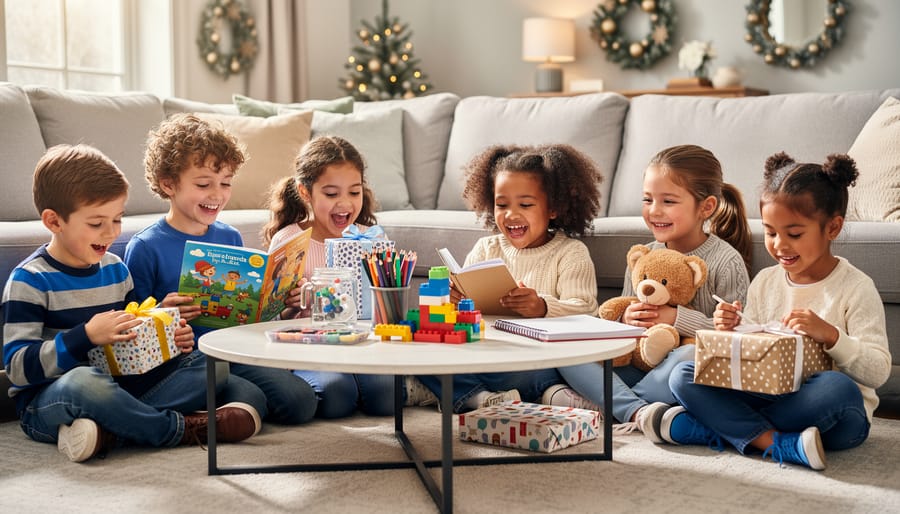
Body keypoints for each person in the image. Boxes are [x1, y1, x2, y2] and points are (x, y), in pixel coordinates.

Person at [2, 144, 259, 463]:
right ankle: (176, 429)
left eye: (118, 219)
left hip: (119, 388)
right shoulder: (30, 280)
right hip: (50, 400)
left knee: (209, 368)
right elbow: (17, 369)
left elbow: (132, 342)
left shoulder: (115, 268)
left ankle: (112, 428)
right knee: (84, 382)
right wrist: (86, 336)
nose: (110, 233)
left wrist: (167, 338)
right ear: (54, 222)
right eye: (96, 223)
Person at [655, 152, 891, 471]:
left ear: (833, 227)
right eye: (770, 232)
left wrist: (832, 336)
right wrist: (733, 329)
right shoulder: (766, 281)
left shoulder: (855, 287)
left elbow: (878, 371)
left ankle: (716, 428)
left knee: (837, 388)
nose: (779, 245)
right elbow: (753, 352)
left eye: (794, 234)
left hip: (833, 414)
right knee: (685, 373)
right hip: (769, 396)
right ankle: (777, 443)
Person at [124, 114, 317, 427]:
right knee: (251, 398)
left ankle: (225, 412)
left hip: (234, 350)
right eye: (203, 184)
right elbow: (132, 326)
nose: (217, 194)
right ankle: (192, 418)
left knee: (301, 402)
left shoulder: (229, 237)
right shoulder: (146, 246)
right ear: (168, 183)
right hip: (187, 363)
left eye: (226, 183)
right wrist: (163, 313)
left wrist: (281, 304)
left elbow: (247, 311)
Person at [548, 144, 752, 436]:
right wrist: (625, 319)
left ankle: (609, 405)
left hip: (679, 369)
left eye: (668, 201)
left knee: (686, 359)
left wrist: (675, 319)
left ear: (706, 207)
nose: (654, 211)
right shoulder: (643, 256)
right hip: (638, 362)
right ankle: (636, 410)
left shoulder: (726, 260)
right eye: (647, 199)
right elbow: (620, 320)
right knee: (568, 346)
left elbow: (735, 338)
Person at [417, 144, 603, 412]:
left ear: (553, 208)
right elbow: (463, 313)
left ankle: (465, 394)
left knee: (530, 376)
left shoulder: (570, 252)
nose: (511, 214)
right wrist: (455, 301)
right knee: (426, 350)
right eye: (501, 204)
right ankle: (483, 399)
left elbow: (587, 310)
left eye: (525, 204)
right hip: (486, 352)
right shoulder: (486, 248)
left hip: (533, 361)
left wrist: (543, 307)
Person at [261, 135, 433, 417]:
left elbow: (386, 305)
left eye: (354, 192)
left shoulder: (370, 238)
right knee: (335, 396)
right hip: (313, 348)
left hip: (364, 344)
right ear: (305, 192)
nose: (345, 204)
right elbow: (269, 313)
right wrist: (289, 305)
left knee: (386, 397)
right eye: (331, 194)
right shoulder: (289, 240)